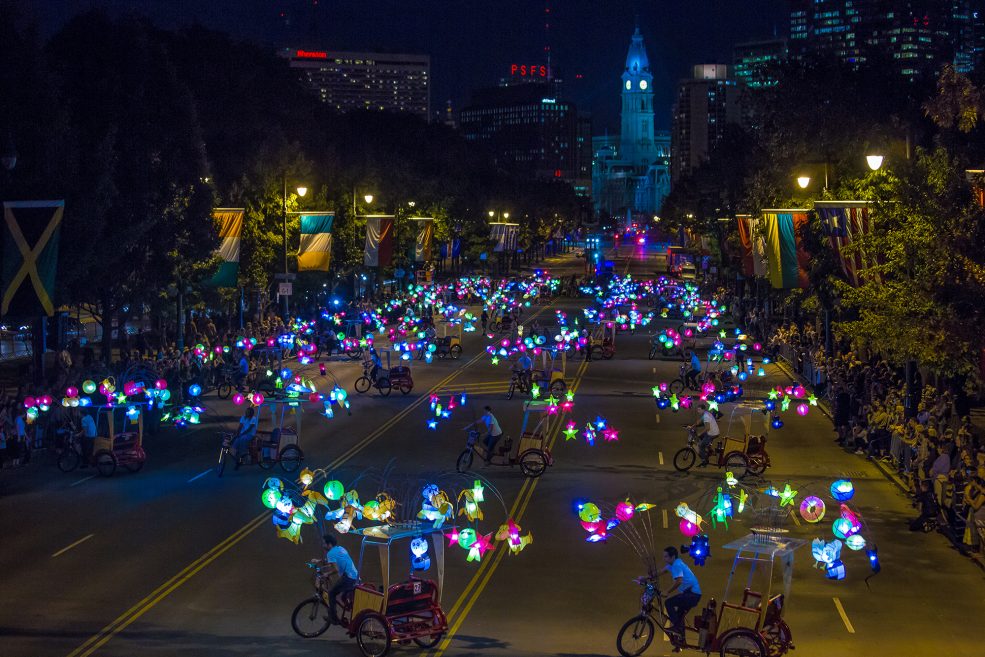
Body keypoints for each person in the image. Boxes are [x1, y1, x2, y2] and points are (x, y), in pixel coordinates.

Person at [660, 546, 701, 641]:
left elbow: (679, 581)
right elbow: (661, 571)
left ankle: (677, 628)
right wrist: (646, 577)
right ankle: (682, 641)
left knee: (668, 603)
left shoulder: (676, 565)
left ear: (673, 556)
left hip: (692, 594)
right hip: (692, 594)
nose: (664, 559)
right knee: (679, 617)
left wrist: (667, 591)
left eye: (666, 556)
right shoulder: (674, 564)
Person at [323, 533, 359, 624]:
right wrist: (319, 560)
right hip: (355, 576)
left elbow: (336, 569)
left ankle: (334, 619)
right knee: (344, 597)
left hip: (348, 577)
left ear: (329, 544)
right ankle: (352, 613)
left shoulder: (330, 553)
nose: (323, 545)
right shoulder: (340, 548)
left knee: (331, 593)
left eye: (324, 543)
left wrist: (327, 574)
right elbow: (336, 560)